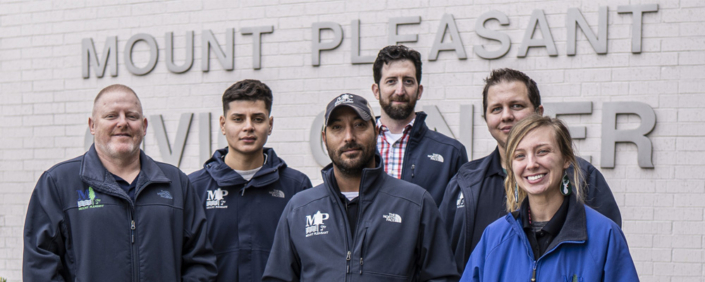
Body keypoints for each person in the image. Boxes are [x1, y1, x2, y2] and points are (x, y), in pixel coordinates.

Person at [23, 84, 217, 281]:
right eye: (111, 116)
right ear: (92, 125)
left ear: (144, 126)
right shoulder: (58, 183)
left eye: (132, 116)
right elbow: (40, 267)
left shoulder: (176, 183)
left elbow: (199, 261)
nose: (123, 123)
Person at [439, 68, 622, 273]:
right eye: (496, 109)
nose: (507, 115)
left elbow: (604, 254)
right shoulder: (465, 183)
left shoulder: (583, 177)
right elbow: (442, 261)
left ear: (539, 112)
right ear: (486, 118)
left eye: (517, 105)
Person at [262, 93, 459, 281]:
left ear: (375, 132)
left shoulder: (415, 203)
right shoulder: (300, 209)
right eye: (337, 127)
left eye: (359, 125)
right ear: (324, 138)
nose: (349, 137)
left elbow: (440, 277)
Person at [460, 115, 638, 281]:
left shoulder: (605, 235)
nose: (531, 164)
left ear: (566, 158)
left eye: (542, 151)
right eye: (520, 155)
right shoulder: (493, 237)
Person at [189, 79, 312, 282]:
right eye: (238, 119)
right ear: (223, 124)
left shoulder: (296, 187)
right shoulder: (194, 188)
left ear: (270, 124)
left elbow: (308, 260)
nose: (248, 127)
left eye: (257, 119)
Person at [372, 45, 468, 206]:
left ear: (419, 90)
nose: (400, 90)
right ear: (376, 91)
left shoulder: (451, 153)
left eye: (408, 81)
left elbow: (458, 220)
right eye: (391, 81)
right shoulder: (356, 148)